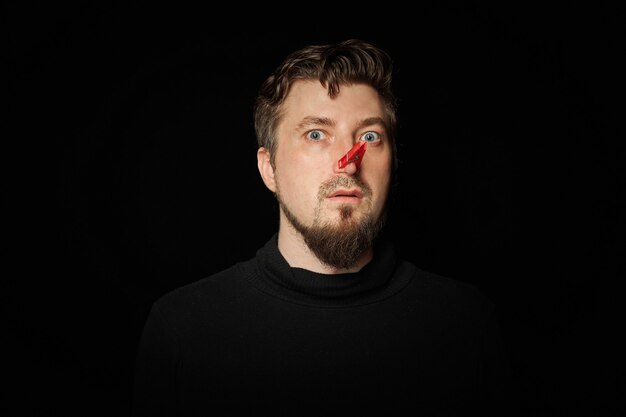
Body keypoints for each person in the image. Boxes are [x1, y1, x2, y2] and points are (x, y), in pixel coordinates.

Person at [131, 39, 516, 416]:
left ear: (393, 164)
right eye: (316, 134)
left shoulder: (465, 325)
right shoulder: (182, 330)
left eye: (369, 136)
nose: (348, 162)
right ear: (269, 169)